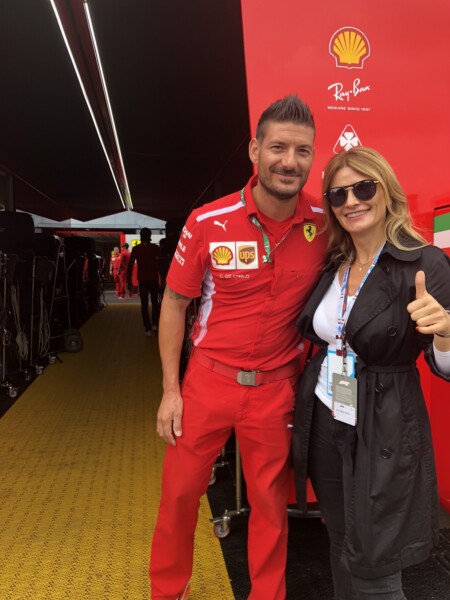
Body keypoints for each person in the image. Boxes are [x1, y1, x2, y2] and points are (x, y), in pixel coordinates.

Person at [150, 94, 328, 600]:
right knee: (179, 496)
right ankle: (167, 592)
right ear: (255, 150)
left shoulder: (325, 222)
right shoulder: (208, 221)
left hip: (276, 391)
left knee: (271, 507)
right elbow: (173, 304)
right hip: (207, 384)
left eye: (302, 151)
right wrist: (170, 390)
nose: (289, 161)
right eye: (278, 147)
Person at [292, 146, 450, 599]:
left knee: (376, 564)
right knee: (340, 539)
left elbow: (445, 365)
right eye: (338, 194)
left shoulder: (423, 263)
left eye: (363, 188)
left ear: (387, 192)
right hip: (326, 418)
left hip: (384, 425)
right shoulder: (336, 264)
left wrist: (445, 332)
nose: (351, 202)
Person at [126, 227, 161, 335]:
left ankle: (147, 328)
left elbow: (130, 265)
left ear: (141, 236)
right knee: (155, 302)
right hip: (153, 278)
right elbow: (160, 263)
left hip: (142, 279)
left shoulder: (136, 249)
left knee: (144, 303)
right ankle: (155, 324)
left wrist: (128, 280)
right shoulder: (155, 248)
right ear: (150, 235)